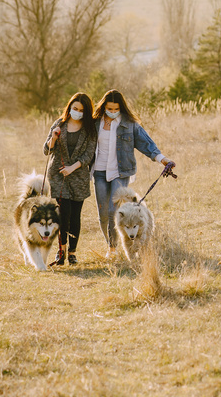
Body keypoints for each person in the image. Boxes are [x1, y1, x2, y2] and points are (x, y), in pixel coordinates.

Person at [91, 89, 175, 258]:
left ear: (121, 108)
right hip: (99, 172)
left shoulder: (129, 124)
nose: (113, 112)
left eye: (116, 109)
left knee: (113, 211)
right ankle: (110, 243)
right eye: (110, 108)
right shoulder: (94, 123)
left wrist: (163, 159)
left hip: (121, 172)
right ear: (103, 107)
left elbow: (147, 143)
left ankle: (113, 249)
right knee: (102, 214)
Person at [43, 92, 98, 266]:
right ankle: (61, 252)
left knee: (75, 217)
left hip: (79, 177)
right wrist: (54, 137)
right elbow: (46, 149)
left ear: (86, 112)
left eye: (81, 110)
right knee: (63, 214)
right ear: (69, 108)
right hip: (59, 176)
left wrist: (72, 168)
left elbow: (89, 154)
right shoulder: (60, 123)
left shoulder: (90, 130)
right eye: (74, 108)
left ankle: (73, 253)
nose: (77, 112)